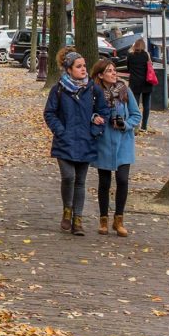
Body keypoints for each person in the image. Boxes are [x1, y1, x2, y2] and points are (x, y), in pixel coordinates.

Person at [43, 48, 103, 236]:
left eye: (84, 66)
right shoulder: (59, 89)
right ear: (69, 69)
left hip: (86, 141)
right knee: (68, 177)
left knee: (80, 181)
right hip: (65, 141)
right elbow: (49, 113)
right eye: (79, 66)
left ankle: (78, 219)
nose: (84, 69)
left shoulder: (93, 89)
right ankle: (67, 211)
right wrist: (60, 131)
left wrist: (95, 129)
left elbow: (103, 111)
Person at [91, 58, 140, 237]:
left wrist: (125, 124)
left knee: (123, 179)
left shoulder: (125, 91)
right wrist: (95, 118)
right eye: (109, 71)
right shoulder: (95, 93)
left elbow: (136, 115)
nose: (114, 73)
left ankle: (119, 220)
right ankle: (103, 219)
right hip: (104, 142)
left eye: (114, 70)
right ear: (101, 75)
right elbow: (89, 112)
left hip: (123, 142)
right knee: (104, 182)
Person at [125, 39, 154, 133]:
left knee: (135, 105)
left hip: (135, 83)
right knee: (146, 105)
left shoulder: (130, 55)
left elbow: (128, 68)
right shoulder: (146, 55)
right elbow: (150, 67)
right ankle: (144, 126)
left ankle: (135, 126)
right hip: (147, 82)